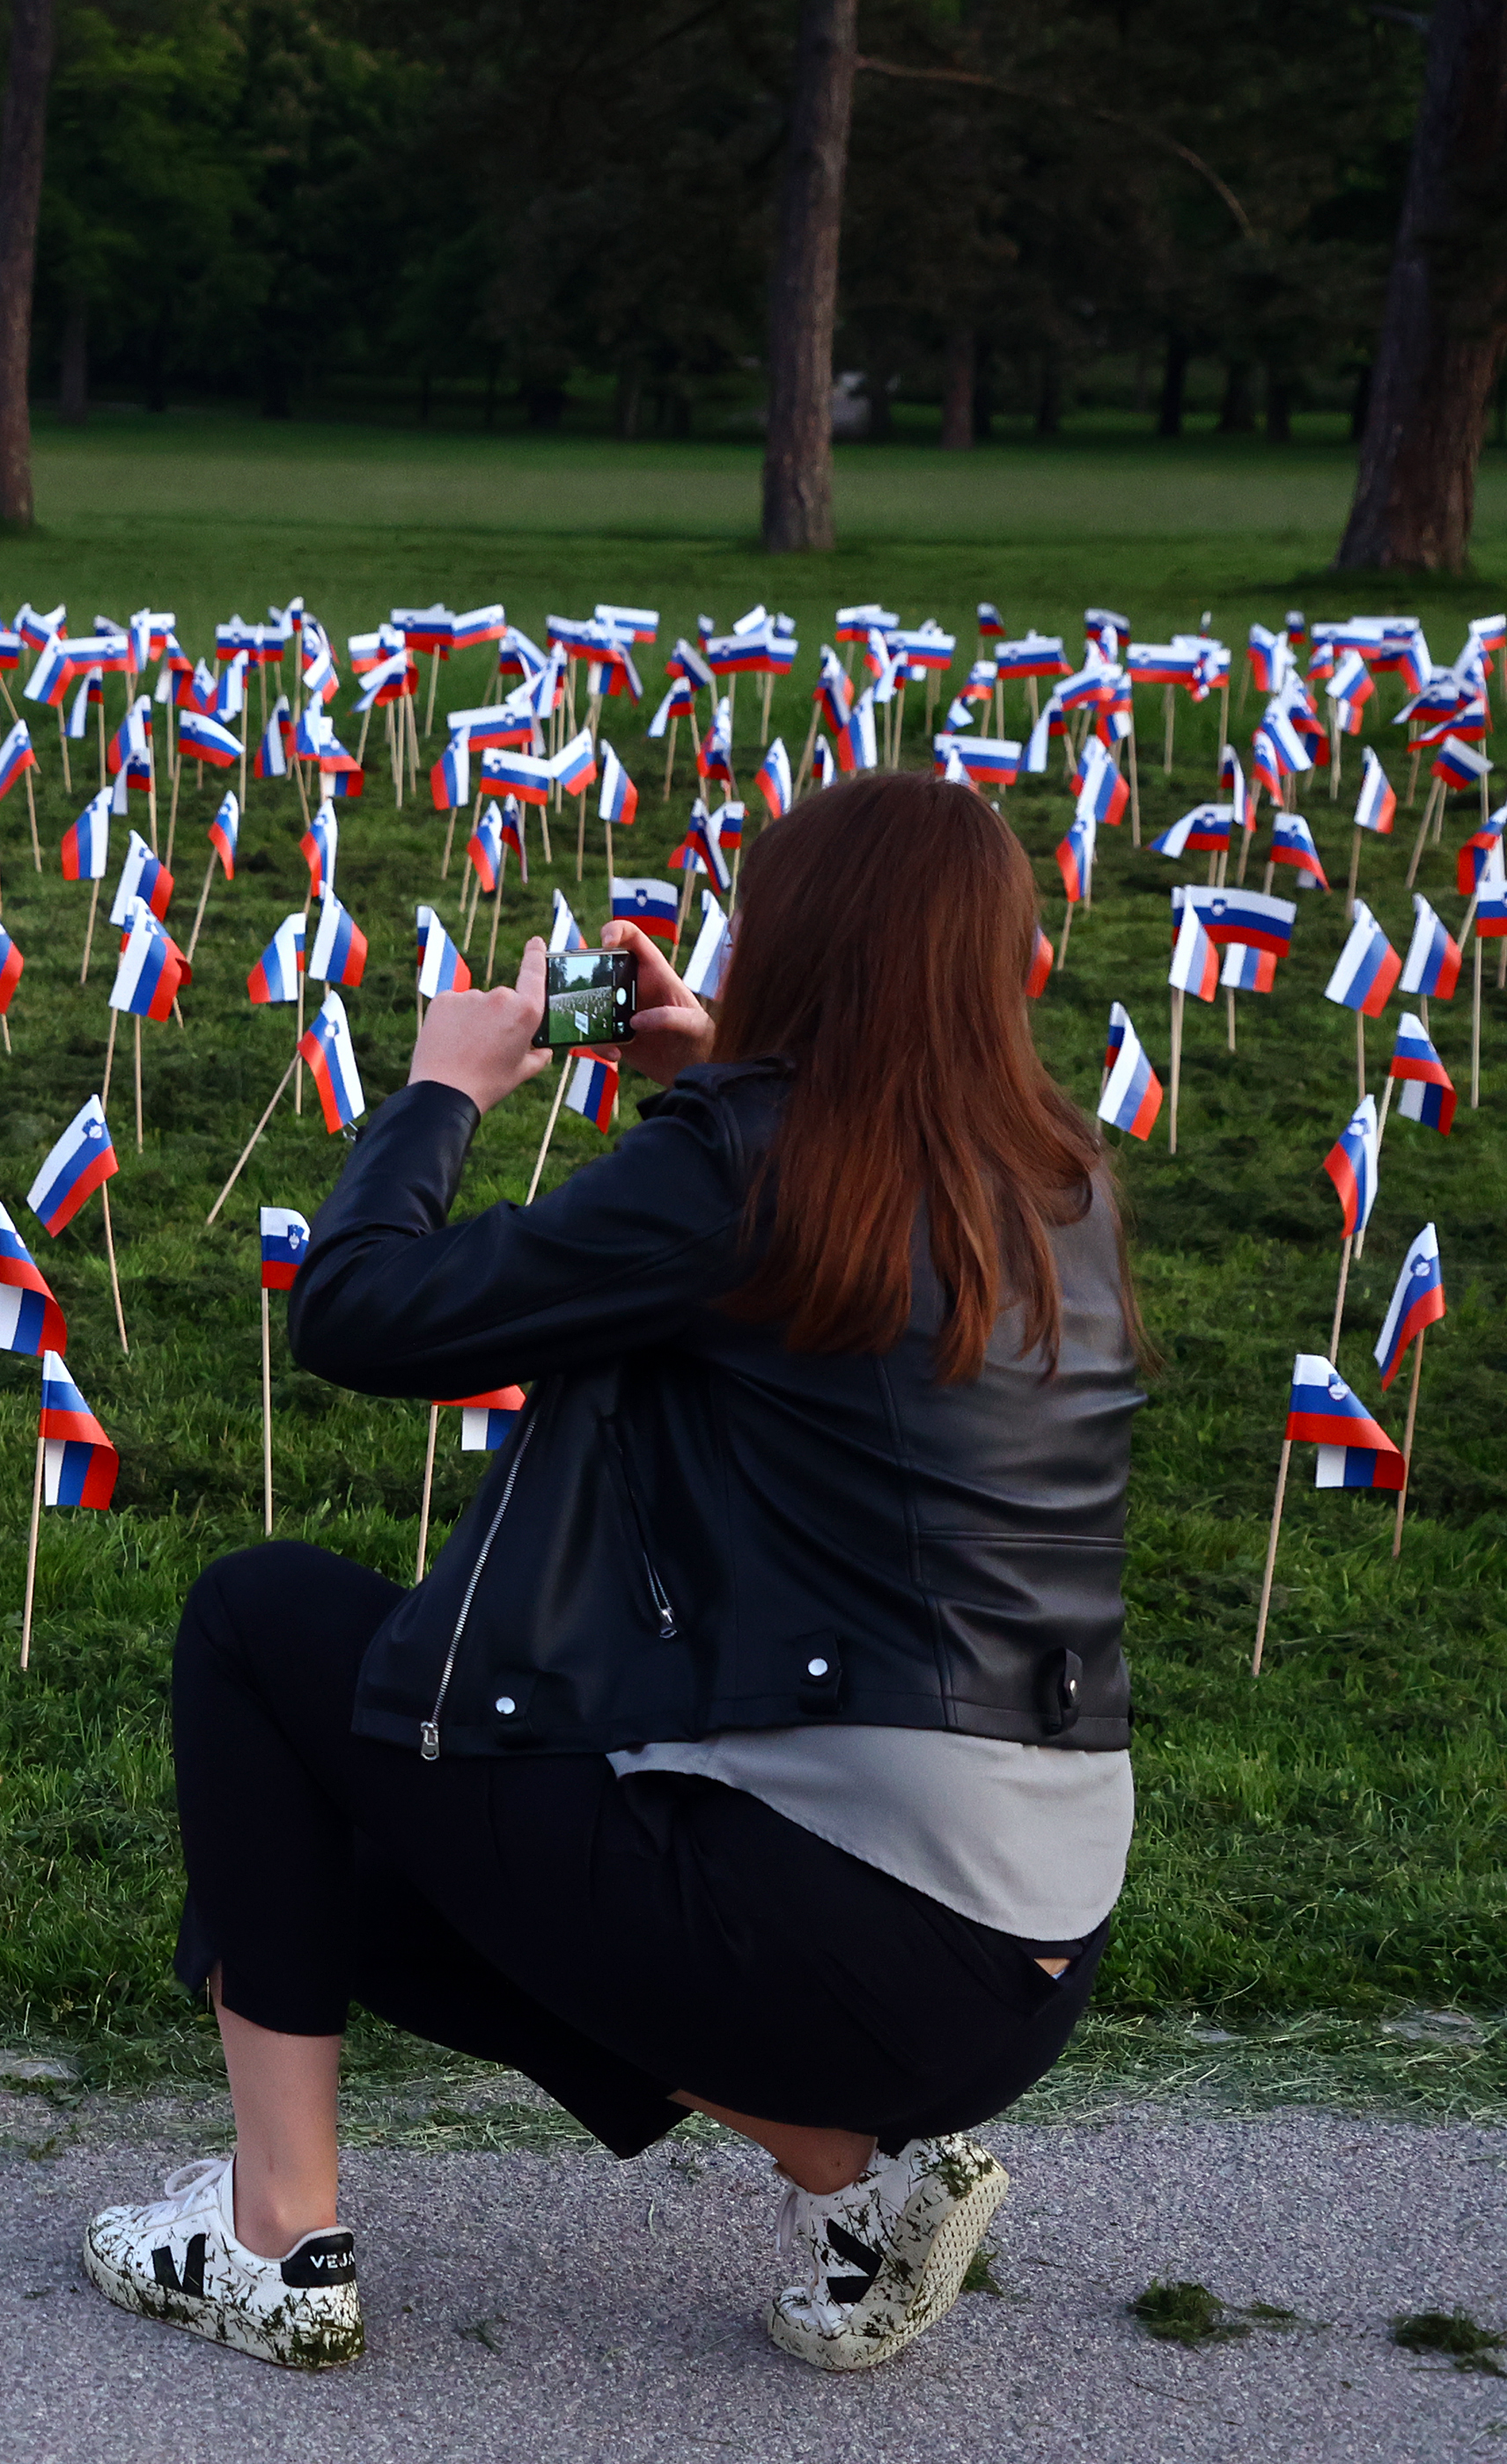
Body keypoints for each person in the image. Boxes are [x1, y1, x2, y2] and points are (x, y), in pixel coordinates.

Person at [85, 773, 1143, 2375]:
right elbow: (846, 1204)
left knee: (259, 1623)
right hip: (1029, 1956)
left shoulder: (741, 1178)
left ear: (791, 939)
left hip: (841, 1936)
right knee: (326, 1887)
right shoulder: (1056, 1178)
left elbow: (361, 1312)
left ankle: (275, 2236)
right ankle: (849, 2170)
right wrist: (733, 1061)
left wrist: (442, 1091)